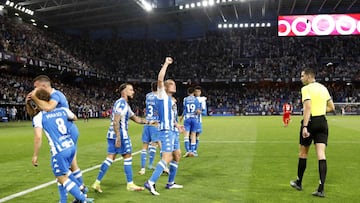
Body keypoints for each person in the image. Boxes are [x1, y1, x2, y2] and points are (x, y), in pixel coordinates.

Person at [28, 89, 93, 203]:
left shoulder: (39, 117)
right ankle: (72, 194)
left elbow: (38, 137)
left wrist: (35, 155)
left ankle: (83, 199)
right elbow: (74, 117)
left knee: (61, 177)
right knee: (64, 172)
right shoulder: (62, 110)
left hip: (59, 150)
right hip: (70, 146)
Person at [92, 83, 155, 193]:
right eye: (130, 90)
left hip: (112, 134)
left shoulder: (125, 104)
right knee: (127, 156)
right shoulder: (121, 103)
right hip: (120, 134)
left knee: (110, 158)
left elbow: (136, 119)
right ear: (124, 92)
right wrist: (118, 137)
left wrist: (149, 122)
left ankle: (97, 183)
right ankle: (130, 184)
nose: (133, 92)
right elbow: (116, 120)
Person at [290, 68, 335, 198]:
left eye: (302, 76)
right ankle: (321, 189)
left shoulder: (306, 89)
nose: (301, 78)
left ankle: (299, 182)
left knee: (303, 153)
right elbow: (332, 107)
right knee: (321, 154)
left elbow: (308, 107)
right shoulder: (323, 88)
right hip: (322, 122)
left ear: (309, 77)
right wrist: (320, 110)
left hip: (310, 122)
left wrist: (305, 126)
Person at [144, 57, 184, 196]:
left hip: (173, 131)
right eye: (172, 84)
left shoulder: (172, 101)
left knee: (177, 155)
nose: (174, 85)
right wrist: (166, 64)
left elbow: (171, 118)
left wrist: (177, 125)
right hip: (166, 131)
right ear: (166, 87)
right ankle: (150, 182)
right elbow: (160, 79)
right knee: (166, 157)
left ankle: (170, 183)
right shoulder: (162, 95)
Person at [139, 81, 161, 175]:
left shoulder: (148, 96)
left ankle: (143, 168)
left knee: (144, 146)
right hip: (155, 123)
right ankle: (152, 164)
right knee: (156, 144)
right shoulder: (159, 97)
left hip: (147, 122)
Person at [181, 87, 201, 157]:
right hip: (194, 118)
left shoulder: (185, 99)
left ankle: (188, 151)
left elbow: (185, 109)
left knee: (186, 135)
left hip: (187, 118)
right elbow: (198, 110)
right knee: (193, 135)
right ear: (194, 92)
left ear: (188, 93)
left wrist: (182, 116)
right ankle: (193, 151)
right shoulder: (196, 99)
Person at [194, 86, 207, 155]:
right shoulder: (191, 100)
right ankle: (191, 149)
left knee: (197, 135)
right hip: (191, 120)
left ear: (200, 92)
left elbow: (205, 112)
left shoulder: (202, 100)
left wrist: (200, 112)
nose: (197, 93)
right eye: (196, 91)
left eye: (198, 91)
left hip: (198, 120)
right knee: (191, 135)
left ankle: (195, 149)